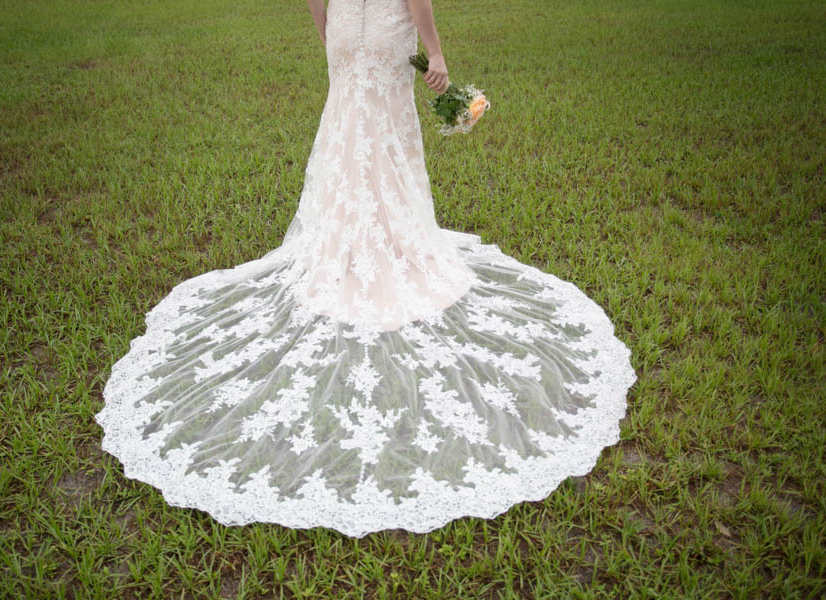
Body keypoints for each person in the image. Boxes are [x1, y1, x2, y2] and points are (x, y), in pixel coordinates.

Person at [94, 0, 638, 538]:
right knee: (389, 138)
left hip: (343, 35)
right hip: (386, 28)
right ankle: (390, 240)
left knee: (349, 131)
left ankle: (350, 242)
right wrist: (436, 51)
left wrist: (331, 34)